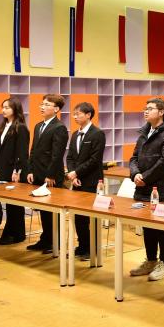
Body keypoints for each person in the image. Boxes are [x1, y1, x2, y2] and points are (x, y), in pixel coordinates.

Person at [128, 98, 164, 281]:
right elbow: (134, 157)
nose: (145, 111)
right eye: (145, 108)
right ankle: (151, 260)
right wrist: (135, 174)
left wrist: (145, 177)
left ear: (161, 112)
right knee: (148, 226)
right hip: (143, 188)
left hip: (162, 188)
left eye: (150, 108)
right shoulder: (144, 133)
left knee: (162, 227)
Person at [26, 94, 68, 253]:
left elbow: (57, 155)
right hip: (37, 173)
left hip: (51, 176)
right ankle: (46, 239)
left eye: (46, 104)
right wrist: (30, 170)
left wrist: (50, 175)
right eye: (41, 104)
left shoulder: (59, 127)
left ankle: (56, 242)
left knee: (52, 211)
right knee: (43, 209)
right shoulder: (38, 126)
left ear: (56, 109)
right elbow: (33, 150)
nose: (42, 107)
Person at [65, 102, 107, 260]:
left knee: (91, 217)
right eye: (74, 114)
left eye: (78, 114)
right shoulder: (75, 134)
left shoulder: (97, 133)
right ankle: (82, 246)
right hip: (77, 180)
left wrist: (77, 172)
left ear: (88, 115)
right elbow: (70, 157)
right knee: (78, 217)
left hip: (92, 181)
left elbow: (95, 159)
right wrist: (73, 174)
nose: (74, 117)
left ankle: (92, 249)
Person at [0, 98, 30, 245]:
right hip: (4, 169)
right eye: (2, 107)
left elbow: (22, 152)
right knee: (9, 203)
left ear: (15, 109)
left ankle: (16, 234)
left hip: (14, 171)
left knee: (15, 204)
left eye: (7, 107)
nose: (3, 110)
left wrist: (17, 170)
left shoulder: (20, 127)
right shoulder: (3, 126)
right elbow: (0, 151)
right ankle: (12, 233)